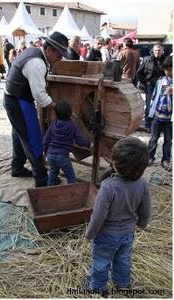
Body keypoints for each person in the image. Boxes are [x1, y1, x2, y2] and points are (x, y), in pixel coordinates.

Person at [85, 137, 151, 296]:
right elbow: (146, 209)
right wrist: (142, 224)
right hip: (128, 234)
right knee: (123, 260)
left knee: (101, 263)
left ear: (114, 163)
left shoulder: (108, 187)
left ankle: (98, 287)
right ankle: (122, 284)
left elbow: (98, 216)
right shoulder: (142, 184)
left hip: (106, 236)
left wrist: (90, 233)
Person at [3, 31, 69, 187]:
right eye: (59, 55)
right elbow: (39, 96)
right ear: (49, 50)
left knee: (18, 135)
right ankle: (41, 178)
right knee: (32, 138)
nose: (59, 59)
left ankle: (17, 167)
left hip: (13, 97)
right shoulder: (37, 63)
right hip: (19, 101)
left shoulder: (35, 53)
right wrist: (55, 105)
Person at [43, 102, 91, 185]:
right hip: (62, 156)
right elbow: (80, 141)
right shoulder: (72, 126)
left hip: (50, 154)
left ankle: (50, 189)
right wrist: (89, 144)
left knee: (53, 172)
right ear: (70, 113)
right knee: (71, 176)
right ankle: (71, 192)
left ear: (56, 114)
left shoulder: (54, 124)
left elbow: (45, 140)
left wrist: (45, 151)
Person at [147, 55, 172, 171]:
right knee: (153, 138)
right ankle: (149, 157)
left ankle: (166, 160)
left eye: (171, 70)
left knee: (168, 140)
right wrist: (151, 112)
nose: (168, 73)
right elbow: (154, 96)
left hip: (169, 119)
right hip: (157, 115)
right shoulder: (160, 81)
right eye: (166, 70)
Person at [136, 43, 166, 130]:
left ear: (162, 51)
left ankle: (159, 125)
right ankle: (148, 124)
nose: (157, 52)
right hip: (150, 86)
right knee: (149, 105)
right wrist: (146, 82)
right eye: (156, 50)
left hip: (162, 86)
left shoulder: (165, 60)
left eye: (159, 50)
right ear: (153, 51)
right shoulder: (147, 59)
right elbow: (139, 73)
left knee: (161, 105)